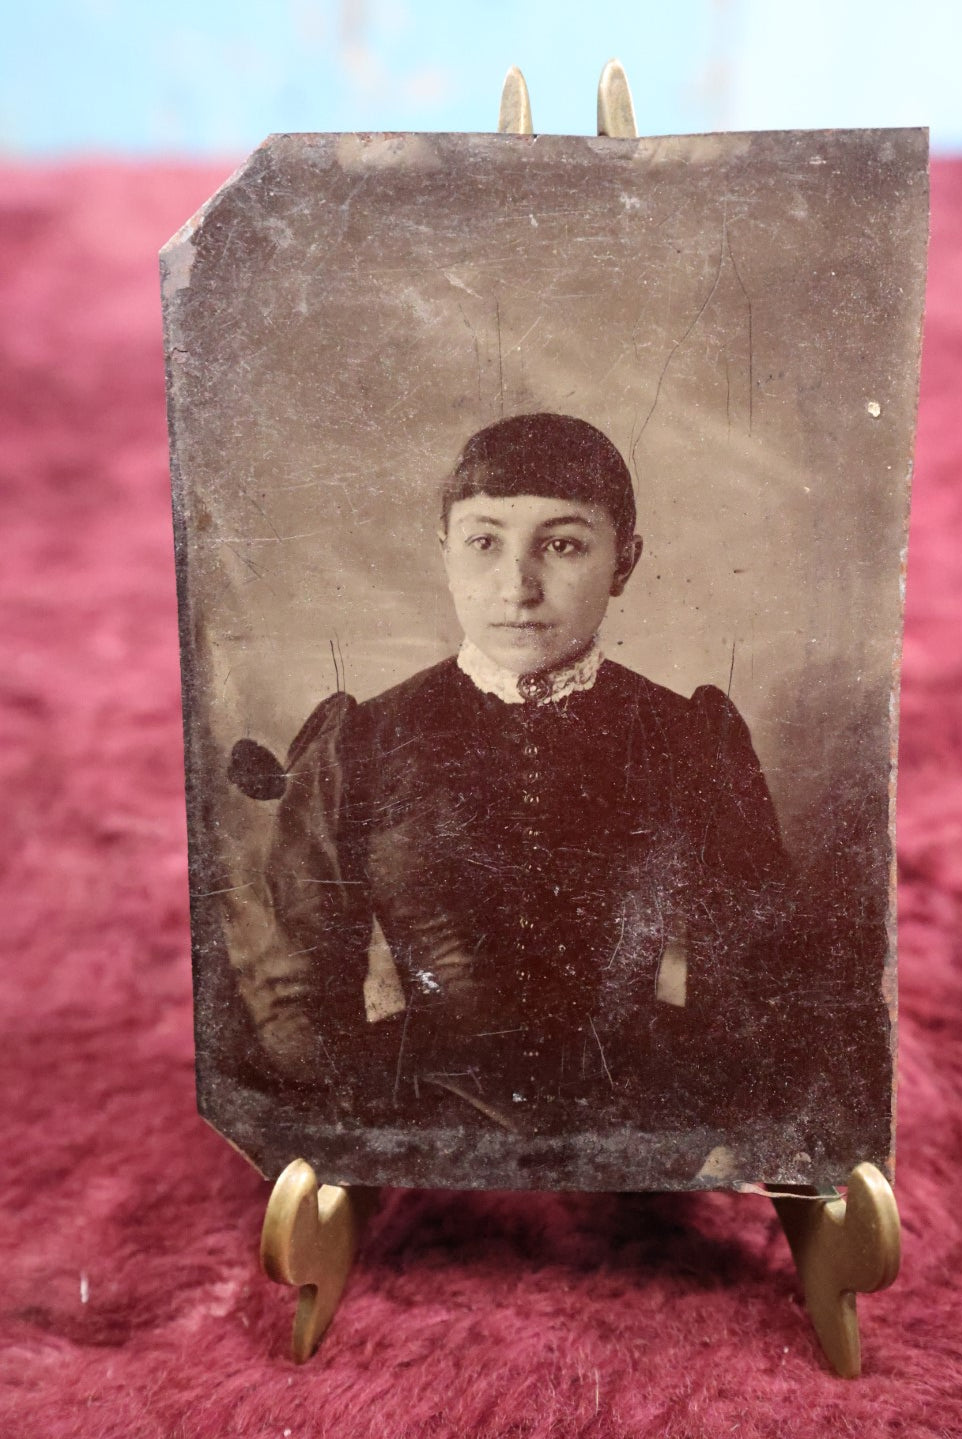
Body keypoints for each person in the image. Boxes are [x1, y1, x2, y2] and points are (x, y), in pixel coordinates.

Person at [230, 412, 792, 1137]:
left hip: (643, 1120)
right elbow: (294, 990)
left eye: (562, 545)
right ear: (445, 555)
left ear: (625, 560)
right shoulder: (362, 741)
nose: (518, 587)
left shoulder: (691, 737)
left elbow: (756, 974)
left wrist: (706, 1137)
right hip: (414, 1119)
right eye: (484, 543)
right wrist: (366, 1132)